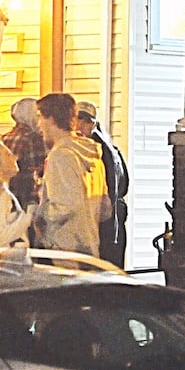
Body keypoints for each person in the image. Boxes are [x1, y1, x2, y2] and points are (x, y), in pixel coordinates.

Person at [33, 92, 110, 257]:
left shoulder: (61, 155)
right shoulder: (93, 155)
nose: (39, 125)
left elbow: (66, 205)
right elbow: (105, 209)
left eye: (40, 117)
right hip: (89, 245)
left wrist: (38, 213)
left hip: (64, 248)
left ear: (52, 119)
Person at [74, 101, 129, 268]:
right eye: (77, 119)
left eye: (85, 121)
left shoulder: (97, 153)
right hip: (111, 221)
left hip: (102, 222)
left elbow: (117, 187)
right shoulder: (110, 149)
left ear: (93, 124)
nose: (79, 125)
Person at [1, 97, 47, 208]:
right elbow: (41, 169)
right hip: (28, 198)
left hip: (8, 195)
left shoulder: (3, 138)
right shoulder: (33, 138)